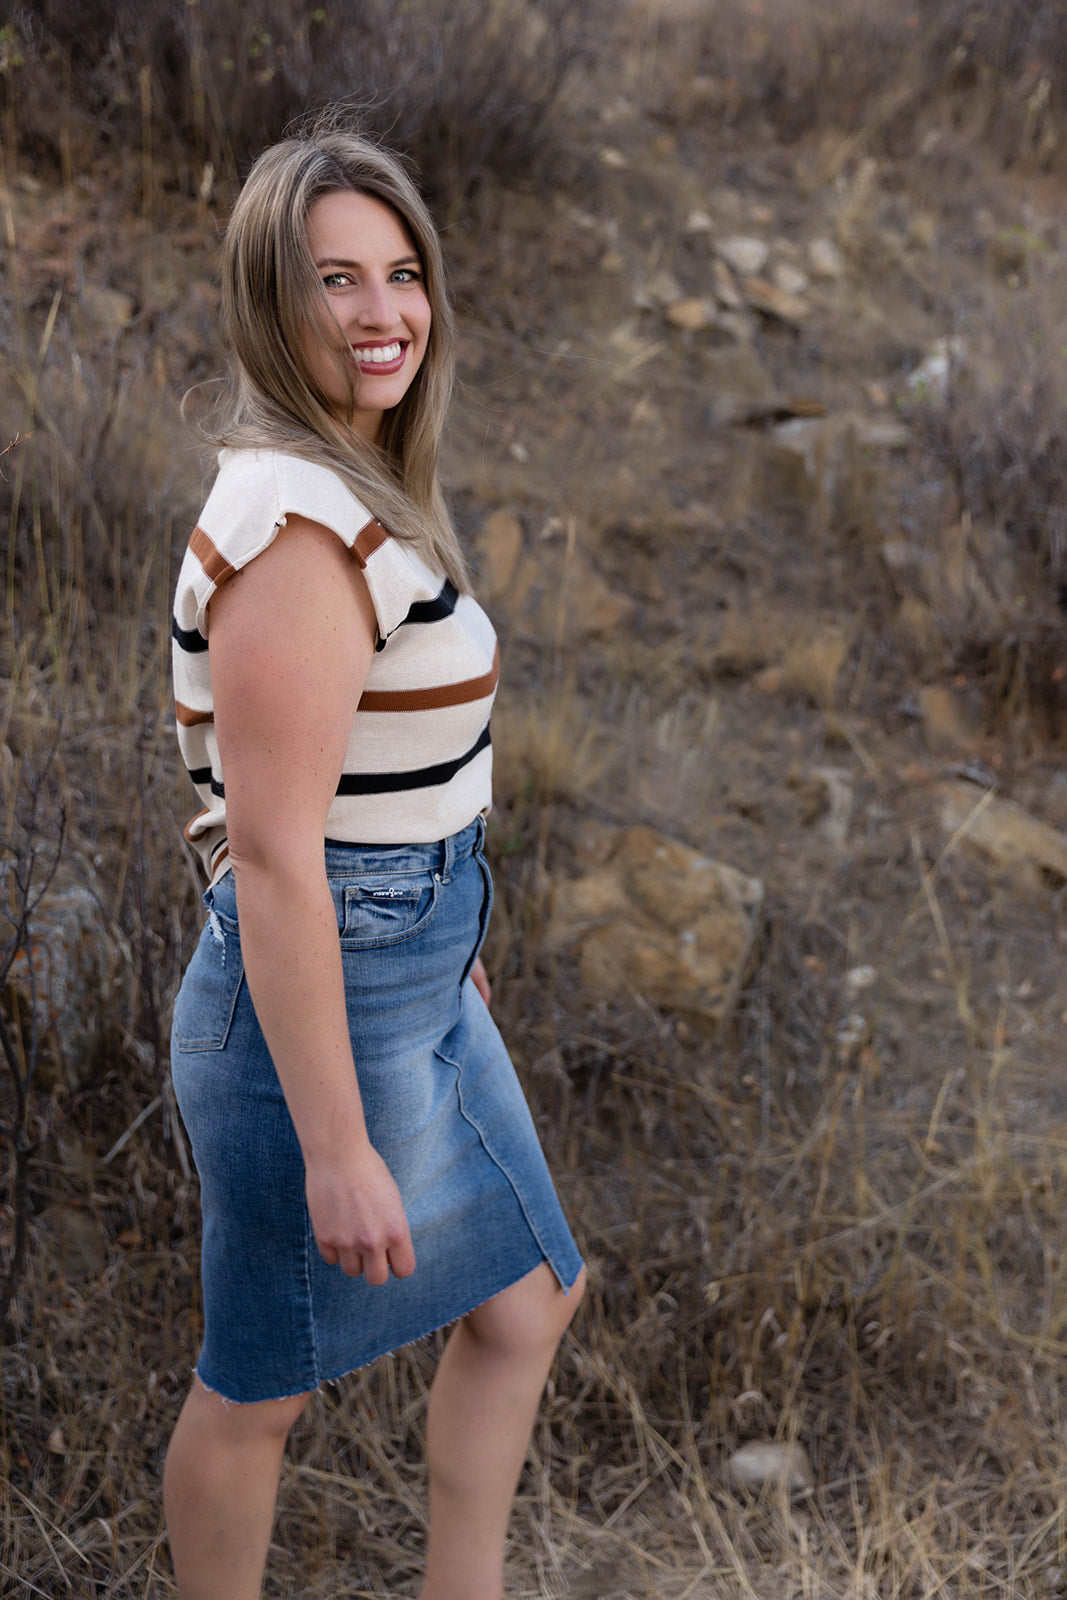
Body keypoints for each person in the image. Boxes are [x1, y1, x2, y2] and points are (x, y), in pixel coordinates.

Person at [165, 118, 585, 1600]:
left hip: (410, 970)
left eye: (401, 273)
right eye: (334, 280)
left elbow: (366, 789)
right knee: (257, 1392)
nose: (382, 312)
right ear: (269, 302)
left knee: (529, 1299)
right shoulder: (297, 528)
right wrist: (339, 1145)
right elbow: (278, 856)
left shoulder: (349, 480)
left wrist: (448, 921)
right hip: (316, 1006)